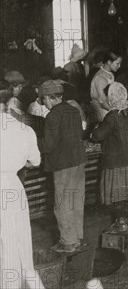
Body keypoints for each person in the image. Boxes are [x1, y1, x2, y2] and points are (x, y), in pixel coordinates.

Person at [0, 90, 46, 289]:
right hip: (12, 185)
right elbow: (35, 161)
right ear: (9, 106)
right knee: (18, 238)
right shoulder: (24, 129)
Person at [38, 80, 87, 253]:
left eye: (43, 100)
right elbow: (81, 132)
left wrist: (32, 142)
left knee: (62, 203)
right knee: (75, 199)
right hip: (78, 161)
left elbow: (48, 145)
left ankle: (67, 242)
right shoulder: (73, 110)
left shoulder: (53, 115)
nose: (44, 103)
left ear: (47, 98)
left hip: (63, 164)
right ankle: (77, 238)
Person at [91, 83, 128, 224]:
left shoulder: (112, 116)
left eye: (106, 96)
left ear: (112, 97)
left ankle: (121, 224)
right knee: (126, 196)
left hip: (116, 162)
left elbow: (97, 136)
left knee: (117, 197)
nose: (104, 99)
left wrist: (94, 130)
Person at [90, 50, 122, 124]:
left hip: (109, 107)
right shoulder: (101, 78)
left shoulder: (110, 74)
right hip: (101, 112)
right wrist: (117, 113)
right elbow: (103, 102)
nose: (119, 66)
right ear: (109, 62)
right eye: (117, 63)